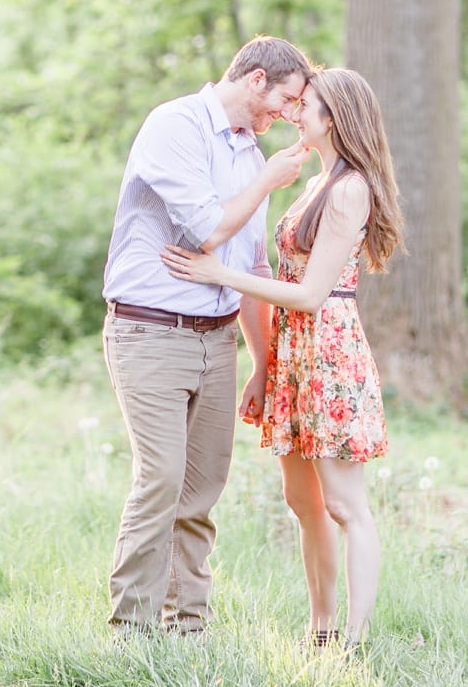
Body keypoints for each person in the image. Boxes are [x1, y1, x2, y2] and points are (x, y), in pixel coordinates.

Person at [161, 67, 403, 649]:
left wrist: (220, 273)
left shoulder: (349, 189)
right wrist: (266, 366)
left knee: (346, 505)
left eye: (308, 104)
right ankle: (321, 628)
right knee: (303, 502)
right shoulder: (318, 181)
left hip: (329, 351)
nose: (295, 112)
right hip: (296, 349)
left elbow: (313, 294)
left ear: (335, 118)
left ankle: (354, 639)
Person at [103, 35, 315, 637]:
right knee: (162, 477)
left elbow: (251, 270)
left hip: (217, 340)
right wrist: (270, 182)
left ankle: (189, 629)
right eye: (286, 99)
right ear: (255, 80)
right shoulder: (176, 125)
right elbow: (208, 231)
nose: (288, 115)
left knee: (201, 489)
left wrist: (263, 363)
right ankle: (131, 634)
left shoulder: (250, 151)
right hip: (149, 330)